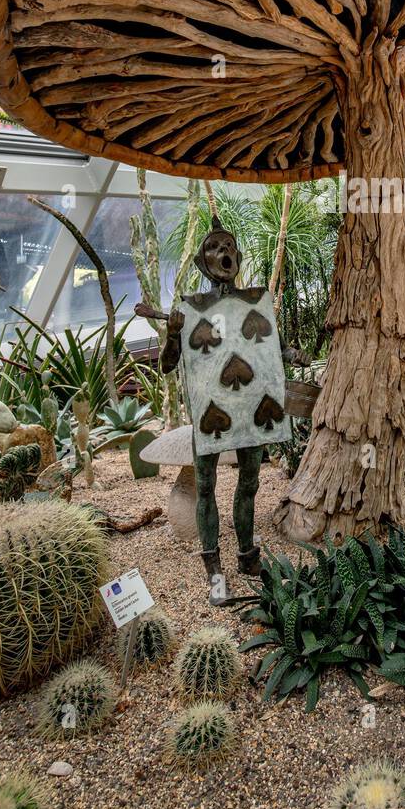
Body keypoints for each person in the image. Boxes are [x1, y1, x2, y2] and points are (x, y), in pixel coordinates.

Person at [160, 217, 291, 606]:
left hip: (251, 407)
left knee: (250, 482)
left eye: (229, 246)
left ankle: (248, 556)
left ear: (238, 256)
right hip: (209, 411)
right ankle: (213, 568)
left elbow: (268, 350)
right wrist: (172, 333)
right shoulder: (190, 309)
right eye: (215, 248)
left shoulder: (254, 304)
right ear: (203, 262)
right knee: (206, 485)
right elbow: (168, 365)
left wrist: (289, 355)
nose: (224, 253)